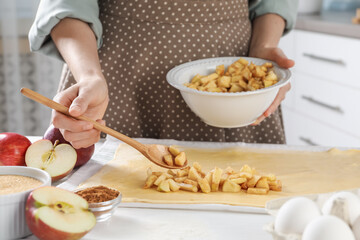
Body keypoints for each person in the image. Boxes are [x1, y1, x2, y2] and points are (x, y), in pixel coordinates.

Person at [29, 0, 298, 149]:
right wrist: (89, 77)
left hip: (237, 80)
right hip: (118, 73)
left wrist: (263, 51)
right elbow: (67, 5)